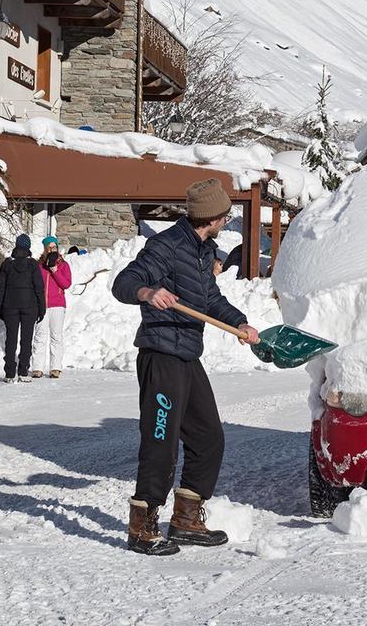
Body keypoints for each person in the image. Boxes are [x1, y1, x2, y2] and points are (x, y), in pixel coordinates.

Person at [112, 178, 259, 556]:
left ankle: (185, 519)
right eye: (225, 215)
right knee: (161, 441)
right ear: (210, 216)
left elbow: (211, 298)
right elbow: (124, 282)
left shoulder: (201, 250)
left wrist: (239, 322)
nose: (228, 220)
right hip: (161, 354)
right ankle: (142, 527)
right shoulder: (166, 247)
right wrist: (147, 292)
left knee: (209, 437)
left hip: (186, 354)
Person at [0, 234, 45, 383]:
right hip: (29, 307)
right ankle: (23, 372)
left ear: (16, 246)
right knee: (26, 340)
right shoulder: (33, 265)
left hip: (10, 306)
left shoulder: (7, 264)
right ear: (28, 247)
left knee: (11, 339)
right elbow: (39, 288)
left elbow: (0, 288)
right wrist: (42, 308)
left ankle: (10, 373)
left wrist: (0, 308)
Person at [32, 236, 72, 379]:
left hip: (58, 305)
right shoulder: (39, 265)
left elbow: (66, 284)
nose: (51, 249)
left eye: (54, 246)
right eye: (48, 247)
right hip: (42, 305)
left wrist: (54, 270)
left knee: (56, 336)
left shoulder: (63, 265)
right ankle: (37, 368)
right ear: (44, 249)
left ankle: (56, 367)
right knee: (39, 336)